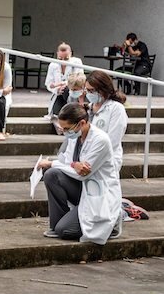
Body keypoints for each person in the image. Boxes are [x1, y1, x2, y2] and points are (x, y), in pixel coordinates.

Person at [36, 103, 122, 243]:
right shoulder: (74, 137)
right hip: (82, 188)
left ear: (82, 123)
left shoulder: (100, 140)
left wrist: (54, 163)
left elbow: (82, 174)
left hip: (98, 192)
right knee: (51, 175)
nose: (64, 132)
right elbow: (69, 164)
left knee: (64, 230)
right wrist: (73, 164)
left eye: (67, 129)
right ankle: (57, 223)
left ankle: (114, 221)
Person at [85, 71, 128, 172]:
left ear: (103, 89)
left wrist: (91, 158)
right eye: (87, 90)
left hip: (106, 160)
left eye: (92, 91)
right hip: (85, 158)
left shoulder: (116, 108)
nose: (89, 94)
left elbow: (113, 140)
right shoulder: (88, 108)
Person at [44, 42, 83, 118]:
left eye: (66, 59)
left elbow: (79, 79)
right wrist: (57, 89)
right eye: (60, 59)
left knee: (66, 90)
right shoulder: (53, 65)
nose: (63, 61)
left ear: (71, 54)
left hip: (72, 91)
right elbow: (49, 83)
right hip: (59, 93)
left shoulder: (76, 62)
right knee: (57, 113)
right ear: (57, 54)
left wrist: (60, 84)